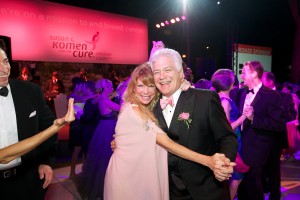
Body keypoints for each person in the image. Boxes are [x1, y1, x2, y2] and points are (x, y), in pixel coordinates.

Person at [105, 63, 235, 200]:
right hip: (129, 177)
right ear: (133, 87)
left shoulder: (149, 106)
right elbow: (167, 143)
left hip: (148, 175)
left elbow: (226, 136)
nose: (146, 91)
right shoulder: (134, 109)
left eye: (151, 86)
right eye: (140, 85)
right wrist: (208, 161)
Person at [149, 48, 238, 200]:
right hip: (166, 191)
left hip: (206, 189)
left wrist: (223, 163)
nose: (162, 76)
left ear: (180, 73)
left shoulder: (205, 99)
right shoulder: (150, 107)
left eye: (167, 70)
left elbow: (227, 137)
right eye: (156, 72)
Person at [0, 47, 57, 199]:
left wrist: (46, 161)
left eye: (5, 61)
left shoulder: (30, 91)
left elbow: (50, 127)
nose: (4, 68)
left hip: (27, 179)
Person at [236, 61, 285, 200]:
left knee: (253, 185)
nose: (242, 76)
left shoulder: (271, 95)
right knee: (242, 186)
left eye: (244, 72)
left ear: (254, 74)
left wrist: (254, 118)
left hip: (258, 148)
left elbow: (278, 124)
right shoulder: (241, 93)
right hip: (242, 146)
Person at [211, 69, 253, 200]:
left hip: (235, 138)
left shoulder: (223, 98)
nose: (235, 80)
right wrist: (244, 117)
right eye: (233, 79)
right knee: (236, 178)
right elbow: (226, 127)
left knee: (235, 178)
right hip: (233, 139)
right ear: (229, 83)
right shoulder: (224, 101)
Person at [78, 78, 121, 200]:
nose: (112, 88)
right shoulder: (105, 99)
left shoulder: (101, 97)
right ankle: (104, 187)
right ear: (105, 88)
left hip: (103, 127)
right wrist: (123, 96)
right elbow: (121, 108)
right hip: (108, 129)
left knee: (101, 157)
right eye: (110, 86)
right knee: (106, 158)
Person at [0, 98, 75, 163]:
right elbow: (4, 156)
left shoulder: (29, 90)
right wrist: (56, 127)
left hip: (26, 170)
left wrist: (56, 126)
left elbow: (6, 156)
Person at [261, 71, 297, 200]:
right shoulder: (258, 95)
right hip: (259, 137)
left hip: (275, 138)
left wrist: (276, 120)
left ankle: (275, 194)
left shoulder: (285, 97)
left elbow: (292, 115)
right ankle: (264, 188)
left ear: (270, 81)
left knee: (273, 168)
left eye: (262, 80)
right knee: (260, 166)